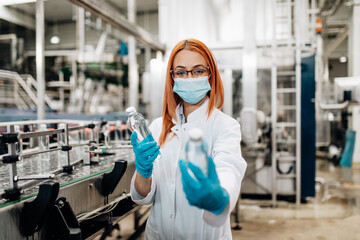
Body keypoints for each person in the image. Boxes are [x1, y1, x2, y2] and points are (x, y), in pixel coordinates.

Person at [130, 39, 247, 239]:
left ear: (211, 75)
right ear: (172, 77)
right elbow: (143, 197)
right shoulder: (158, 127)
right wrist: (143, 171)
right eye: (181, 72)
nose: (190, 77)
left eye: (198, 70)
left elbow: (229, 169)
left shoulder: (225, 126)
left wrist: (220, 198)